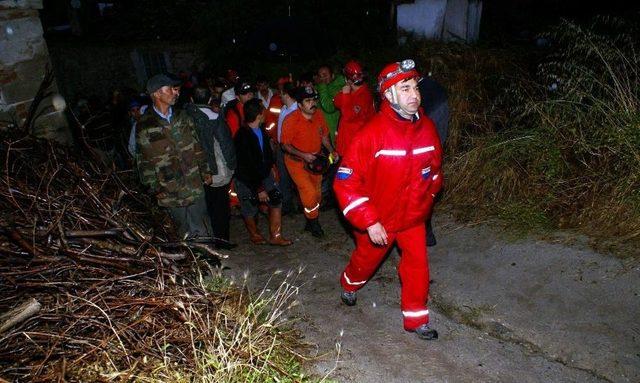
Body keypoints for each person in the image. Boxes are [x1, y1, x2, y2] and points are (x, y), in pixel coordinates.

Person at [333, 59, 443, 340]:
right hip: (379, 221)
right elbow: (346, 182)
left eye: (415, 88)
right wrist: (369, 221)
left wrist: (426, 201)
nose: (414, 95)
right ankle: (349, 283)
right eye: (405, 89)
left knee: (418, 265)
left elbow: (435, 172)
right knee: (365, 262)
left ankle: (417, 318)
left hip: (412, 218)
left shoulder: (428, 129)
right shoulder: (372, 134)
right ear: (389, 95)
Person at [136, 74, 213, 238]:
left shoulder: (183, 117)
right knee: (180, 232)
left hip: (193, 182)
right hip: (169, 188)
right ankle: (188, 262)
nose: (175, 92)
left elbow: (196, 144)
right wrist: (154, 187)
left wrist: (205, 170)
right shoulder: (145, 125)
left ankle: (207, 260)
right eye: (170, 89)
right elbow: (144, 160)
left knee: (202, 228)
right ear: (157, 93)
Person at [281, 86, 338, 238]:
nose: (312, 103)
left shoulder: (319, 115)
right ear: (299, 104)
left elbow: (324, 136)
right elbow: (285, 145)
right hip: (296, 162)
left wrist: (331, 150)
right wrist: (303, 155)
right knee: (309, 192)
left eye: (314, 100)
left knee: (317, 194)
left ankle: (309, 219)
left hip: (315, 162)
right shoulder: (291, 119)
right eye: (308, 100)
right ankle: (314, 223)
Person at [234, 98, 293, 246]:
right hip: (246, 179)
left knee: (276, 199)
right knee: (249, 207)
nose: (266, 111)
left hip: (264, 174)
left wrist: (271, 169)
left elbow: (265, 156)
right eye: (263, 110)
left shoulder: (261, 130)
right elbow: (246, 166)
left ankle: (276, 235)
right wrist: (259, 189)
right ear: (259, 114)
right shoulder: (242, 136)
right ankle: (254, 234)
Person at [185, 87, 237, 249]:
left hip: (192, 170)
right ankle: (222, 240)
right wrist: (232, 164)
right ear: (209, 100)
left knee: (201, 207)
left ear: (192, 100)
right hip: (215, 171)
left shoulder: (184, 117)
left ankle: (203, 241)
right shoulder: (215, 117)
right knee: (220, 207)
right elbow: (226, 144)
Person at [419, 76, 449, 247]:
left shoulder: (427, 91)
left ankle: (426, 230)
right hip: (430, 149)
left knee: (424, 187)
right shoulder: (431, 87)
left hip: (426, 152)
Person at [316, 65, 345, 209]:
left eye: (325, 74)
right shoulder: (324, 89)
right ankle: (328, 198)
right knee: (327, 167)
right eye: (320, 75)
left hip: (335, 138)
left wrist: (321, 87)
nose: (323, 78)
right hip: (324, 137)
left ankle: (334, 199)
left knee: (333, 168)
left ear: (332, 75)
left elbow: (328, 106)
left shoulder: (337, 87)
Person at [333, 60, 376, 157]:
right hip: (347, 147)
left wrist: (346, 95)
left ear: (347, 78)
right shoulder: (350, 92)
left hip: (358, 149)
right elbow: (336, 102)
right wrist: (345, 93)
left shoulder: (364, 96)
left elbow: (348, 116)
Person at [275, 82, 300, 215]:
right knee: (283, 177)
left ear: (287, 94)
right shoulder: (284, 108)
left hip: (293, 148)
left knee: (296, 177)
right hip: (281, 148)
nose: (280, 95)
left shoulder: (297, 110)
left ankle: (303, 204)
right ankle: (288, 205)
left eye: (282, 93)